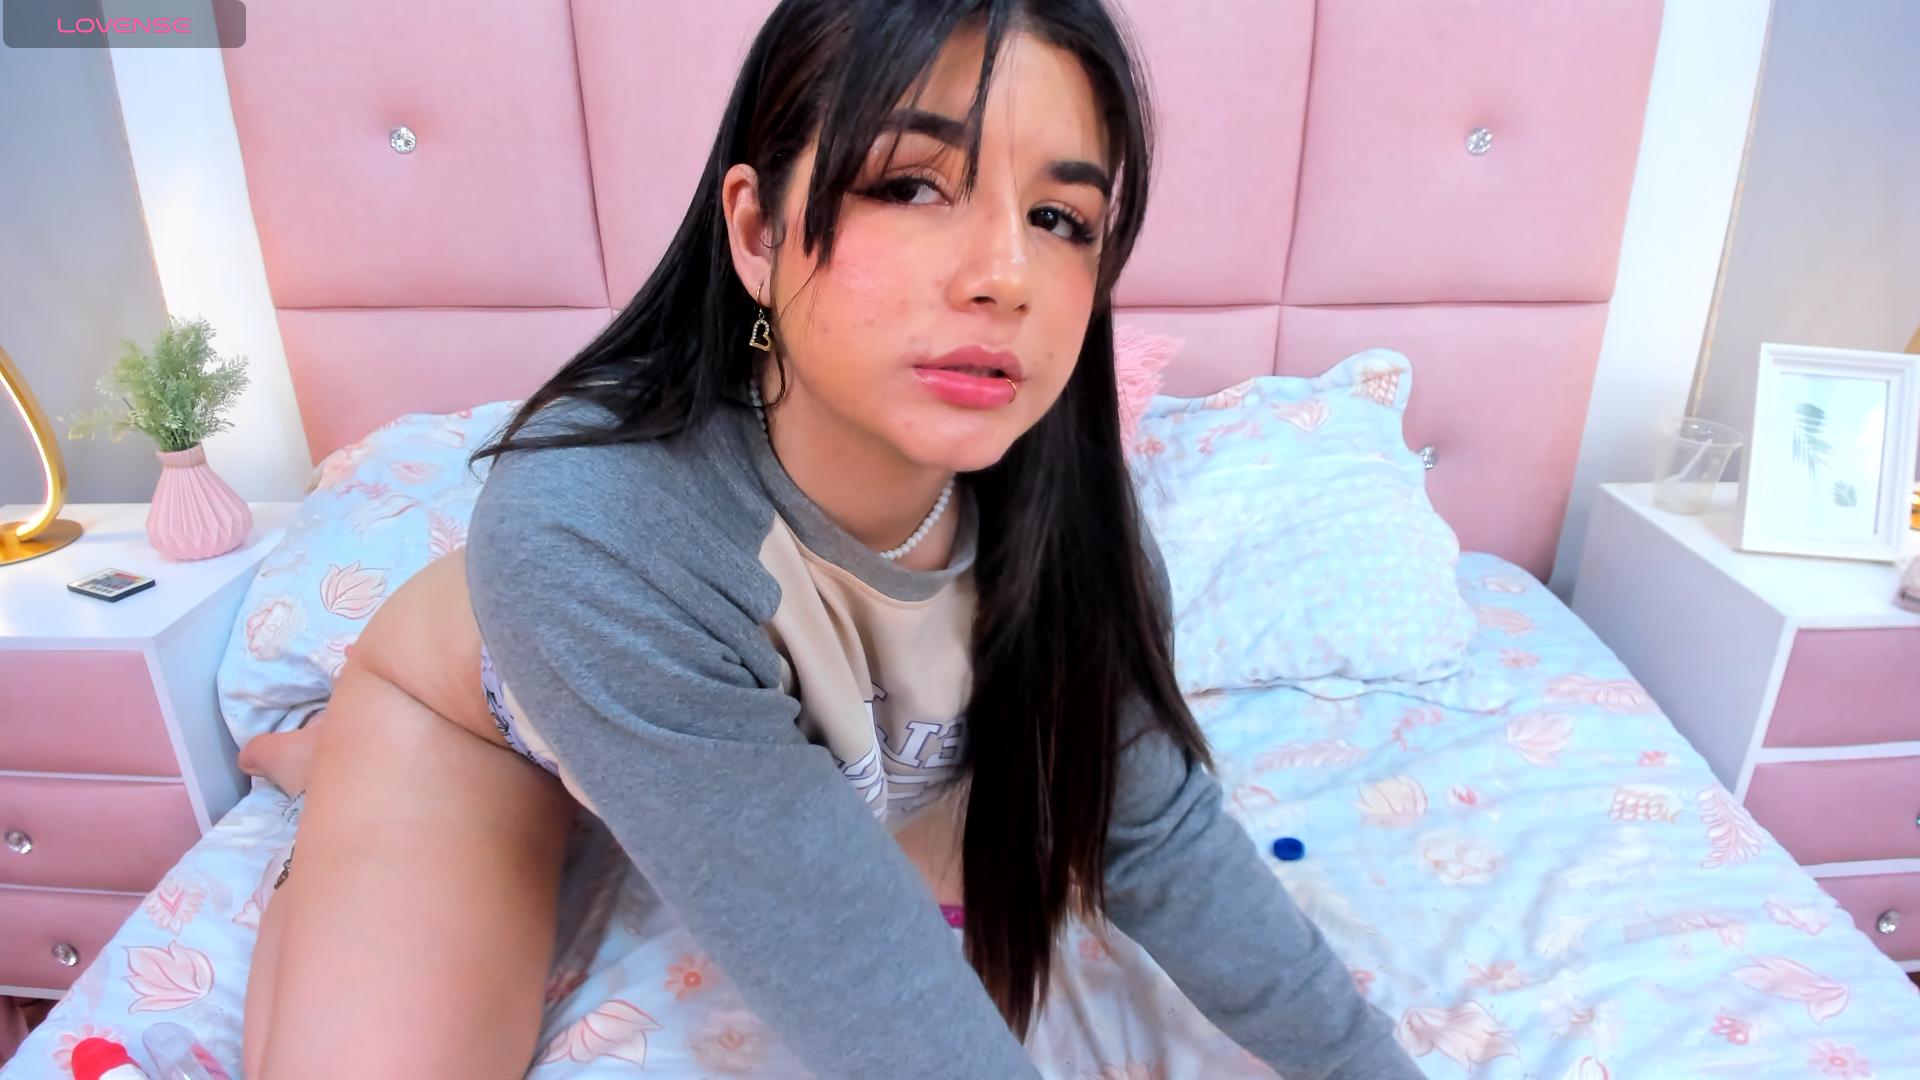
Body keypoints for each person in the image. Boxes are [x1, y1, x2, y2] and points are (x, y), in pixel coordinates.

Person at [238, 1, 1423, 1076]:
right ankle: (334, 763)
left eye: (1061, 217)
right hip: (487, 720)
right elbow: (882, 1003)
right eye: (911, 185)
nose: (1006, 275)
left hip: (780, 742)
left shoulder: (1071, 523)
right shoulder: (595, 528)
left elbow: (1151, 826)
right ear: (758, 231)